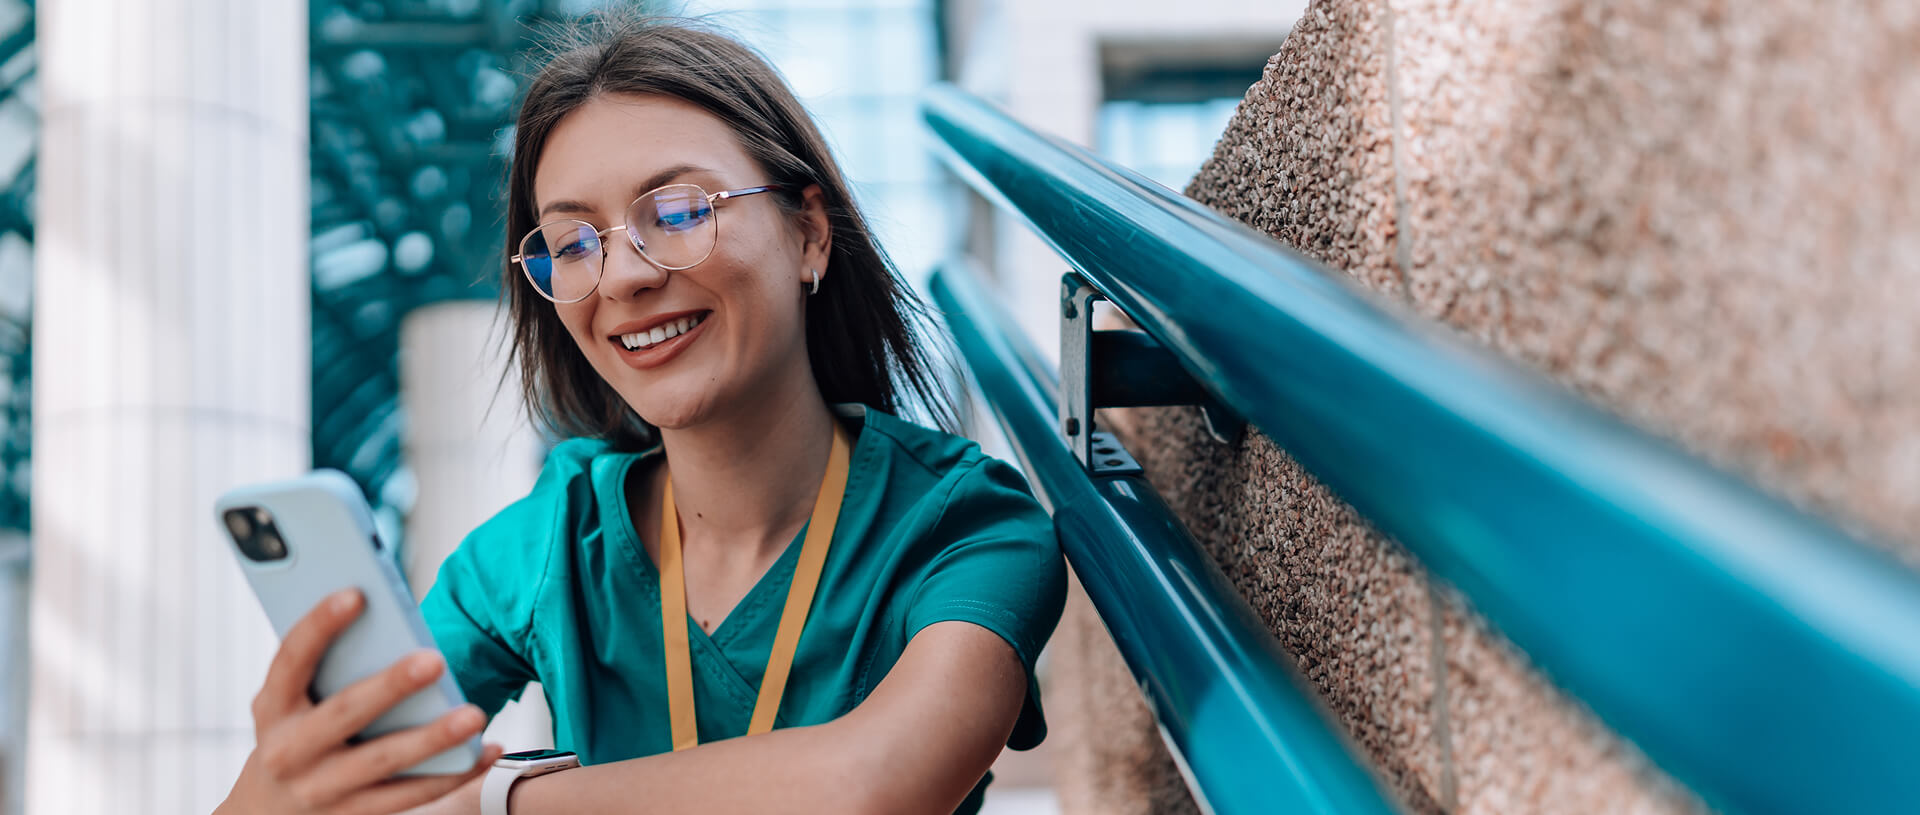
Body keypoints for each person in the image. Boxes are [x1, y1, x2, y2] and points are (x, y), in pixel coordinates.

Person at [215, 14, 1067, 815]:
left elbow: (871, 783)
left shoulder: (971, 528)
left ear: (809, 231)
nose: (622, 276)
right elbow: (338, 783)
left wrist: (496, 800)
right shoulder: (545, 547)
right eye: (572, 242)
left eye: (680, 212)